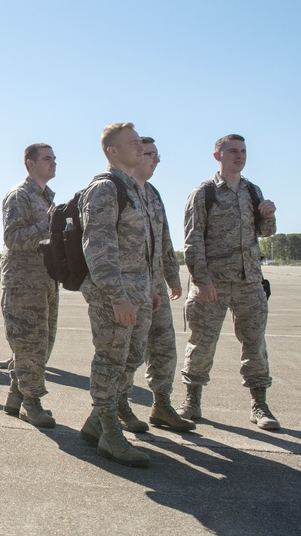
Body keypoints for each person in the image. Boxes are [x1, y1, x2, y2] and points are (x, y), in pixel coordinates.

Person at [178, 134, 279, 430]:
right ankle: (191, 400)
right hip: (214, 283)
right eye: (233, 151)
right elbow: (192, 241)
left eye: (243, 151)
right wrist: (202, 281)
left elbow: (264, 233)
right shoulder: (204, 193)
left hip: (250, 281)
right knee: (202, 343)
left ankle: (259, 405)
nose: (239, 155)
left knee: (255, 344)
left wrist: (269, 216)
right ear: (218, 156)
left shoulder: (252, 191)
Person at [78, 123, 154, 467]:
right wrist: (117, 296)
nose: (140, 146)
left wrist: (147, 288)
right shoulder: (106, 189)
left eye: (140, 141)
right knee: (110, 362)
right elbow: (99, 247)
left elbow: (141, 248)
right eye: (133, 142)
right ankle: (110, 433)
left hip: (137, 292)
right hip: (114, 295)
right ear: (112, 150)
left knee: (130, 359)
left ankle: (96, 422)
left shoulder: (135, 189)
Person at [135, 137, 195, 432]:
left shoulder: (153, 193)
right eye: (149, 154)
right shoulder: (121, 191)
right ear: (134, 155)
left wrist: (172, 276)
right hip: (131, 287)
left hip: (156, 284)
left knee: (164, 348)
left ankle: (161, 405)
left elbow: (165, 239)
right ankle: (113, 409)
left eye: (157, 155)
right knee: (128, 353)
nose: (155, 160)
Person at [0, 144, 58, 428]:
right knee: (30, 344)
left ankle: (15, 396)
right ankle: (31, 403)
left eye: (54, 159)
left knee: (40, 343)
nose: (54, 163)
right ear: (30, 164)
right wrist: (48, 223)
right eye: (47, 159)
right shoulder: (19, 196)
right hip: (24, 283)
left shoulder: (47, 197)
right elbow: (13, 238)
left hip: (45, 280)